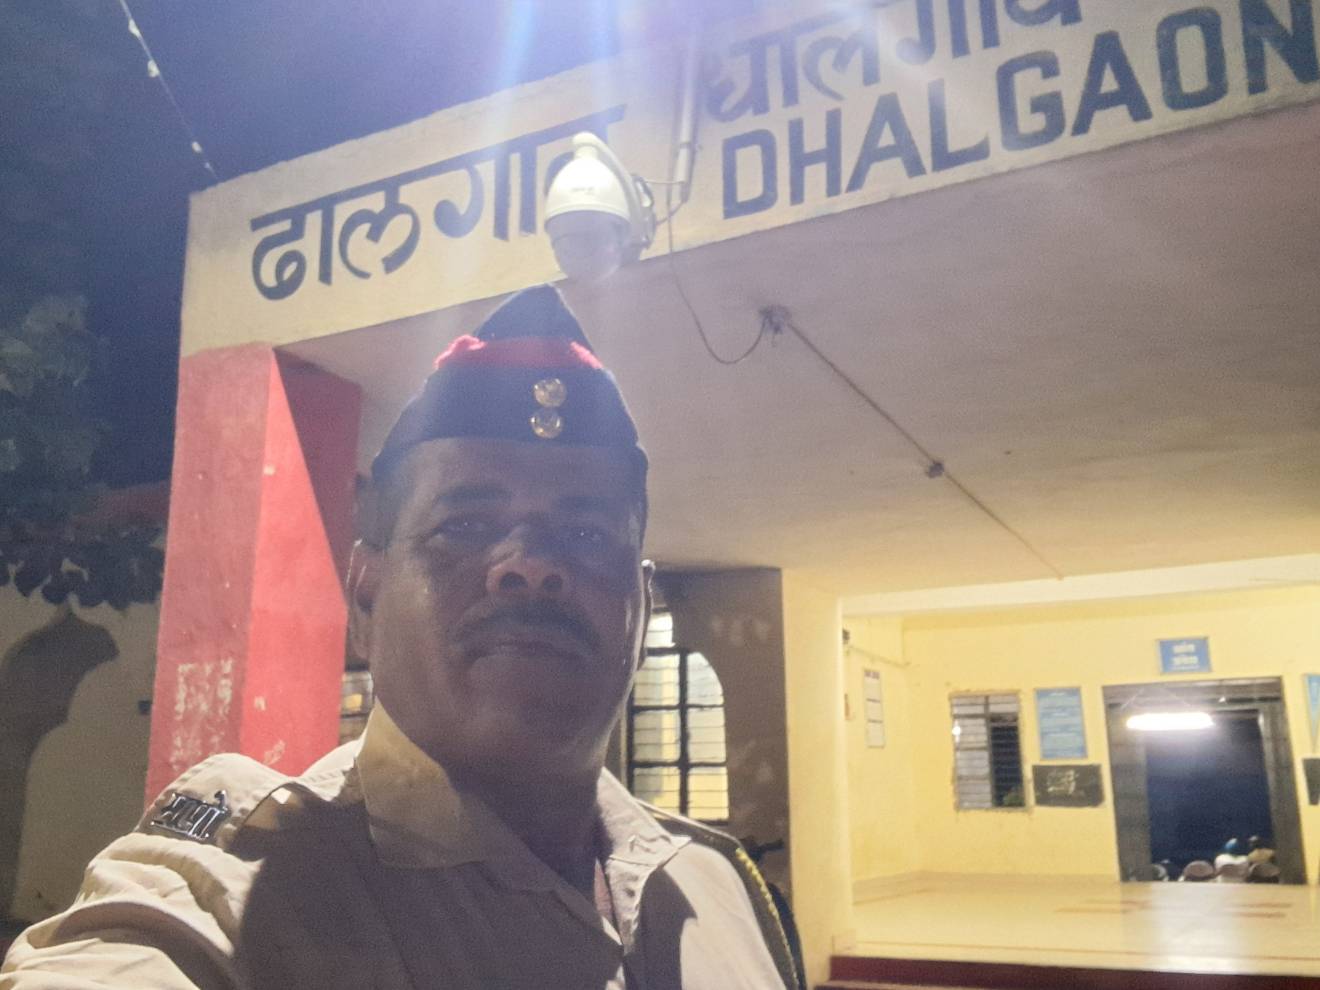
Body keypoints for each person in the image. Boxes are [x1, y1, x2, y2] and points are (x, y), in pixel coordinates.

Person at [1, 286, 798, 989]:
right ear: (367, 595)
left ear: (641, 604)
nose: (531, 566)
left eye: (587, 535)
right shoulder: (240, 885)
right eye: (466, 525)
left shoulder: (721, 887)